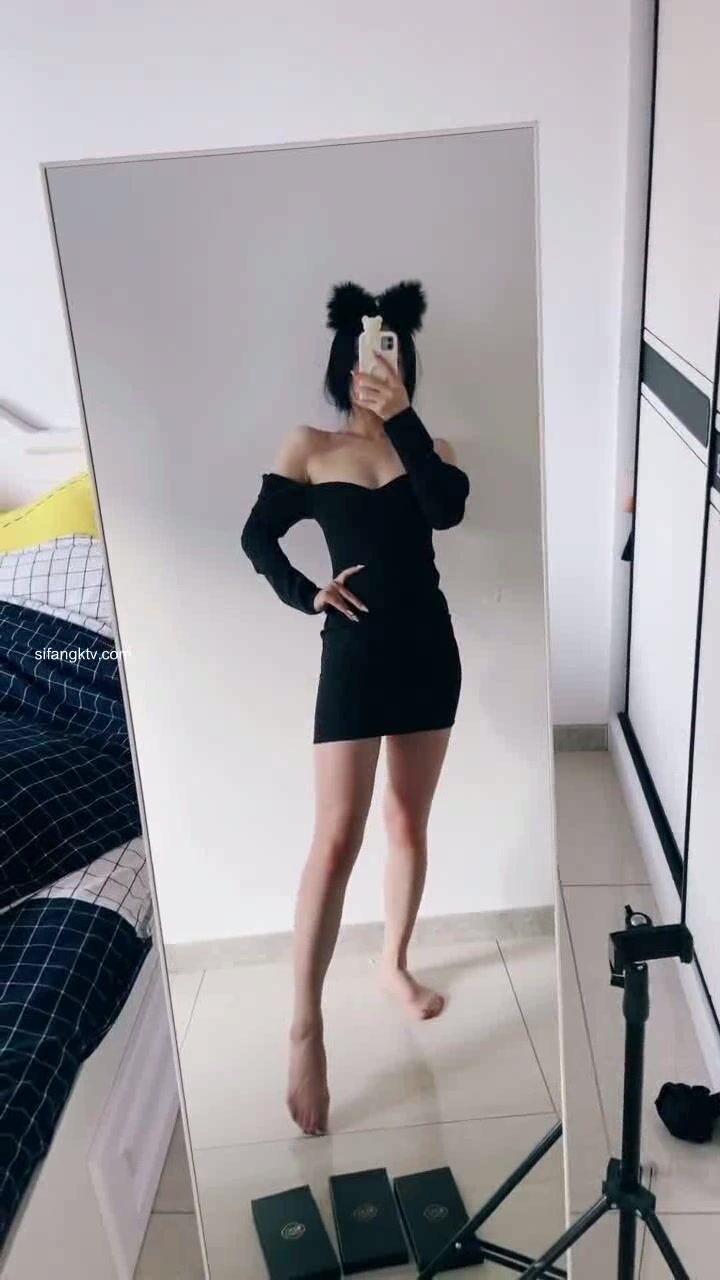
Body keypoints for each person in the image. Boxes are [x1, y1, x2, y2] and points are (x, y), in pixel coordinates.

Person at [241, 280, 470, 1136]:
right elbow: (256, 536)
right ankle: (305, 1028)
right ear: (346, 362)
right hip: (353, 656)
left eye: (394, 353)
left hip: (427, 652)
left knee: (407, 823)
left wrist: (404, 418)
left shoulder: (429, 446)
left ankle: (393, 966)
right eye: (371, 353)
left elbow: (446, 510)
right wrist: (307, 593)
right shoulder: (309, 447)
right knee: (336, 838)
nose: (380, 365)